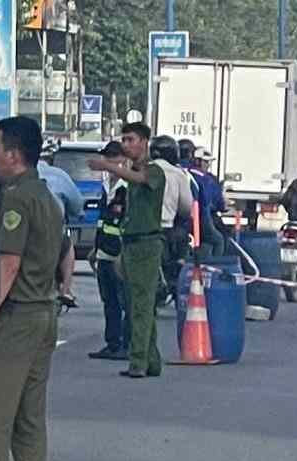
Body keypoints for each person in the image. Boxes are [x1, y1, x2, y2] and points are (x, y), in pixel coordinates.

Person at [0, 115, 63, 461]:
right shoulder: (48, 199)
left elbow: (9, 261)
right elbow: (65, 255)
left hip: (18, 315)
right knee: (30, 414)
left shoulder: (18, 199)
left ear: (14, 155)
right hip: (44, 312)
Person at [87, 121, 167, 379]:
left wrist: (109, 166)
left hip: (146, 243)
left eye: (131, 139)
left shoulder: (154, 171)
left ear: (144, 142)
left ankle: (138, 361)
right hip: (130, 243)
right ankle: (151, 359)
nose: (127, 144)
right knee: (135, 304)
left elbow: (140, 178)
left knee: (141, 305)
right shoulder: (130, 174)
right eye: (124, 140)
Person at [88, 143, 130, 361]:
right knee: (109, 301)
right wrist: (95, 249)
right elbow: (103, 220)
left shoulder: (127, 185)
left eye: (113, 158)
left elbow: (126, 222)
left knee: (124, 300)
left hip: (120, 253)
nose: (108, 163)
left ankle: (126, 344)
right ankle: (112, 343)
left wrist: (123, 253)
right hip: (104, 250)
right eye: (106, 158)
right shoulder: (106, 185)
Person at [36, 138, 86, 307]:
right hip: (52, 233)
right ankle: (66, 289)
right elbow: (77, 205)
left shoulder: (15, 174)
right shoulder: (59, 175)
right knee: (67, 244)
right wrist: (78, 214)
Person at [150, 136, 197, 299]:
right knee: (182, 248)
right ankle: (175, 277)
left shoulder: (139, 170)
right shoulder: (178, 174)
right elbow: (187, 207)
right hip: (166, 228)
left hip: (140, 230)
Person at [177, 138, 228, 259]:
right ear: (196, 160)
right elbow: (214, 202)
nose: (208, 165)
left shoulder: (176, 171)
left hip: (177, 221)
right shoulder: (205, 179)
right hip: (198, 219)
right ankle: (212, 269)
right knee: (218, 240)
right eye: (206, 162)